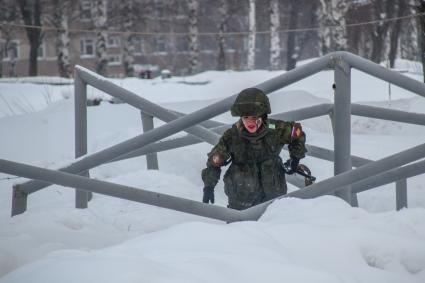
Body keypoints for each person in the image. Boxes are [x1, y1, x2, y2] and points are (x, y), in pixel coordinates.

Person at [201, 87, 307, 210]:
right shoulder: (232, 135)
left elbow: (297, 134)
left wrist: (295, 159)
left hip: (274, 197)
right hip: (241, 199)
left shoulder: (275, 129)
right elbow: (214, 161)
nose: (249, 122)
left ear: (262, 116)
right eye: (245, 117)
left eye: (254, 117)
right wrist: (209, 186)